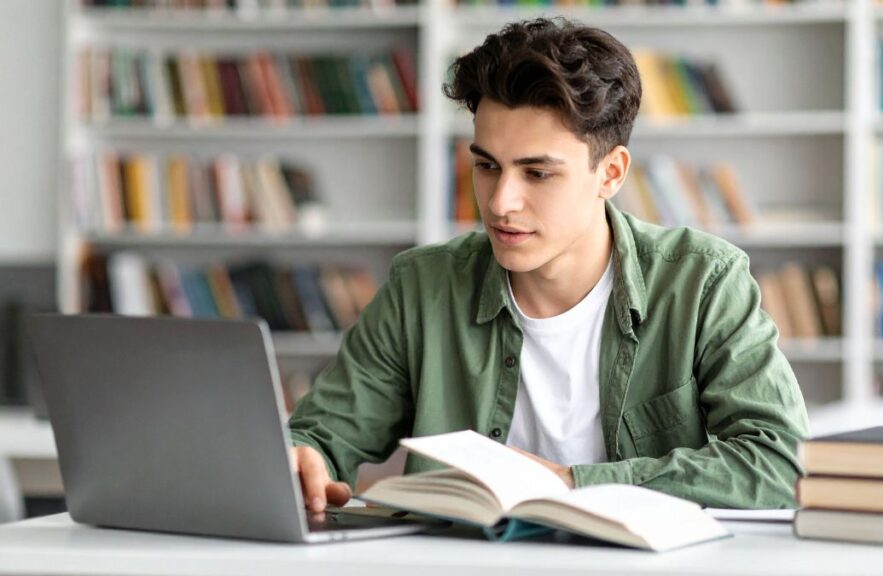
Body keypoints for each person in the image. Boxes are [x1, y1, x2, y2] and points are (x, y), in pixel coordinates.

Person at [289, 17, 809, 514]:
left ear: (611, 173)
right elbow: (321, 433)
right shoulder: (423, 286)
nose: (500, 203)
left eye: (537, 173)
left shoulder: (703, 282)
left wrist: (571, 485)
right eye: (487, 166)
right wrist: (305, 457)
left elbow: (780, 463)